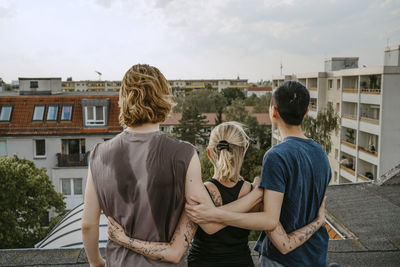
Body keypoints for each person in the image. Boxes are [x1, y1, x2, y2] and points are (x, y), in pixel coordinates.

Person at [82, 64, 263, 267]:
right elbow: (210, 221)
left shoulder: (99, 154)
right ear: (164, 97)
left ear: (124, 99)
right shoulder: (184, 153)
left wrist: (96, 262)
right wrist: (256, 194)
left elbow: (88, 224)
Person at [107, 121, 327, 266]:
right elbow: (285, 244)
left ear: (210, 153)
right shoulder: (256, 193)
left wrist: (126, 240)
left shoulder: (198, 195)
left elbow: (174, 252)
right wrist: (318, 222)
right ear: (244, 151)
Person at [186, 81, 331, 267]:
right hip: (316, 255)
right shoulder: (321, 154)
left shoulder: (276, 156)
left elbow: (273, 225)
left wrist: (214, 213)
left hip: (281, 261)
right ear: (306, 112)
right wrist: (317, 223)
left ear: (273, 112)